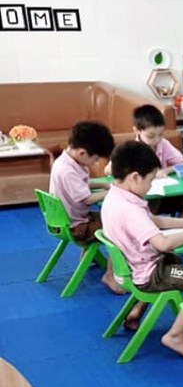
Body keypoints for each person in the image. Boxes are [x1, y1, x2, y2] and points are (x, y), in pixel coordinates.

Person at [100, 141, 183, 356]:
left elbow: (153, 220)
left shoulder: (116, 197)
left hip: (134, 269)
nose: (151, 186)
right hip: (150, 274)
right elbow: (163, 244)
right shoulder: (130, 210)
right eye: (150, 180)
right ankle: (175, 335)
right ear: (135, 177)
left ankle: (137, 310)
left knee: (173, 259)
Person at [47, 120, 119, 292]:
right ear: (82, 153)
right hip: (76, 226)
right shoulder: (68, 171)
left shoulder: (66, 162)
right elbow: (87, 199)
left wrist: (101, 184)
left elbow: (82, 183)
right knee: (118, 228)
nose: (96, 163)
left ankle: (89, 256)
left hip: (66, 220)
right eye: (95, 159)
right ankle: (111, 275)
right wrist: (114, 192)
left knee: (110, 218)